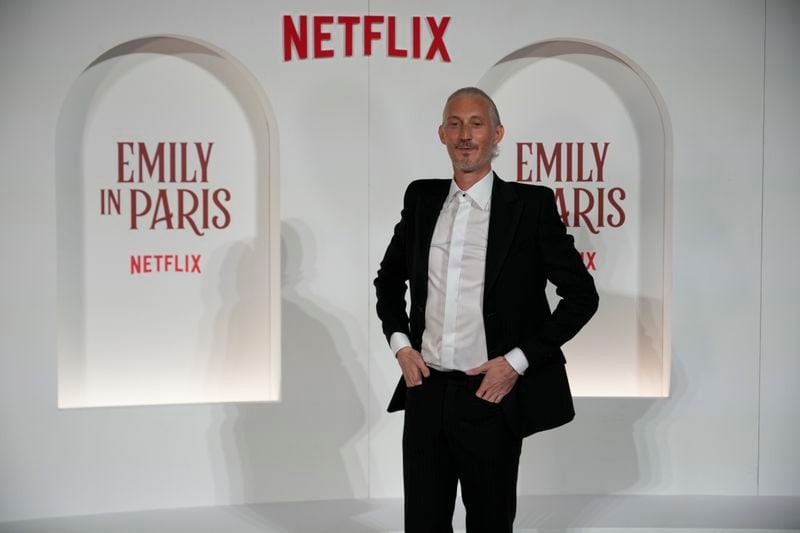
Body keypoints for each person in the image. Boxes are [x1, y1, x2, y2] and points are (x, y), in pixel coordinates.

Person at [374, 87, 599, 533]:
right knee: (422, 524)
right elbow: (388, 279)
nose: (465, 134)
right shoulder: (420, 198)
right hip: (426, 392)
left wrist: (516, 362)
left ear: (496, 133)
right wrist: (400, 345)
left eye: (476, 123)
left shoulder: (530, 207)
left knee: (491, 525)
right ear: (441, 134)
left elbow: (581, 296)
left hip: (490, 394)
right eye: (454, 123)